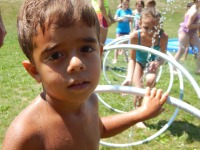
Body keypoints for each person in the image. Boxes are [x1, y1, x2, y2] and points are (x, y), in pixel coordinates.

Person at [2, 1, 168, 149]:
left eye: (87, 49)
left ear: (100, 53)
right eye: (55, 55)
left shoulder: (90, 100)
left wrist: (141, 113)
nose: (77, 63)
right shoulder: (25, 133)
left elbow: (99, 129)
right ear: (35, 71)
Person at [122, 7, 168, 128]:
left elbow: (163, 56)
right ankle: (138, 118)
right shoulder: (135, 36)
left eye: (154, 28)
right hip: (139, 62)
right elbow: (132, 59)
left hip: (152, 63)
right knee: (138, 89)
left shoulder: (162, 37)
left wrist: (158, 62)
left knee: (149, 82)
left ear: (160, 25)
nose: (150, 32)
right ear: (140, 23)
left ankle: (146, 109)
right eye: (146, 27)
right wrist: (128, 77)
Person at [174, 0, 200, 74]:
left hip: (192, 33)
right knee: (181, 51)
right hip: (185, 32)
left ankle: (198, 69)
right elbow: (188, 25)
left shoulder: (195, 8)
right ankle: (173, 68)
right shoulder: (194, 11)